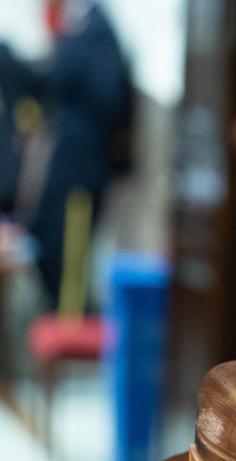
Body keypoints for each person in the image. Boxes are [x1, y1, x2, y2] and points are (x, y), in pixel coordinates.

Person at [0, 0, 131, 307]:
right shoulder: (82, 30)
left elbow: (104, 99)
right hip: (69, 172)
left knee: (71, 262)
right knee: (54, 249)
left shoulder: (95, 32)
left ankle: (69, 330)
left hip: (82, 174)